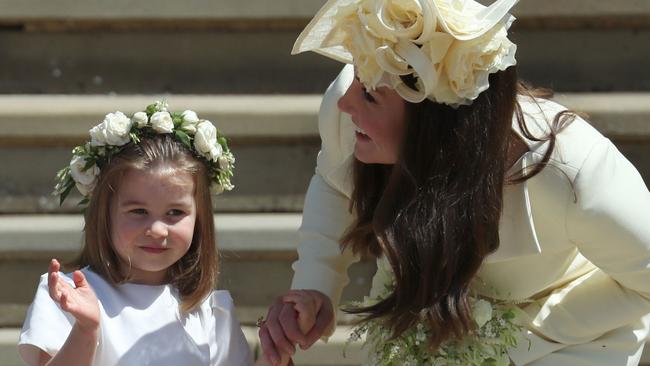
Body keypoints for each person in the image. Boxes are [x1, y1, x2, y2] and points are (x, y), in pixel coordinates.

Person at [259, 0, 650, 365]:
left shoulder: (571, 169)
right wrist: (315, 286)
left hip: (577, 337)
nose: (346, 104)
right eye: (356, 80)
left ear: (435, 125)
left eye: (371, 97)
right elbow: (334, 183)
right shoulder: (351, 114)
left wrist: (514, 337)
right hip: (438, 321)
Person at [17, 101, 252, 365]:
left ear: (199, 219)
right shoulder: (69, 295)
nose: (157, 229)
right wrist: (86, 330)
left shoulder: (211, 311)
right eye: (139, 211)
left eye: (175, 213)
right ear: (105, 213)